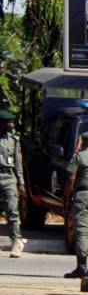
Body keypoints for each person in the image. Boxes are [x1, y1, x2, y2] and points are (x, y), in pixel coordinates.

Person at [63, 131, 88, 278]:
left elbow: (71, 178)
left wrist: (67, 196)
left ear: (83, 142)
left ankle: (82, 267)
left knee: (82, 232)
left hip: (83, 195)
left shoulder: (78, 156)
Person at [0, 109, 24, 257]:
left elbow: (18, 162)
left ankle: (16, 241)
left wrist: (21, 183)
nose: (12, 124)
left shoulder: (14, 140)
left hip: (9, 178)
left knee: (12, 210)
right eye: (9, 122)